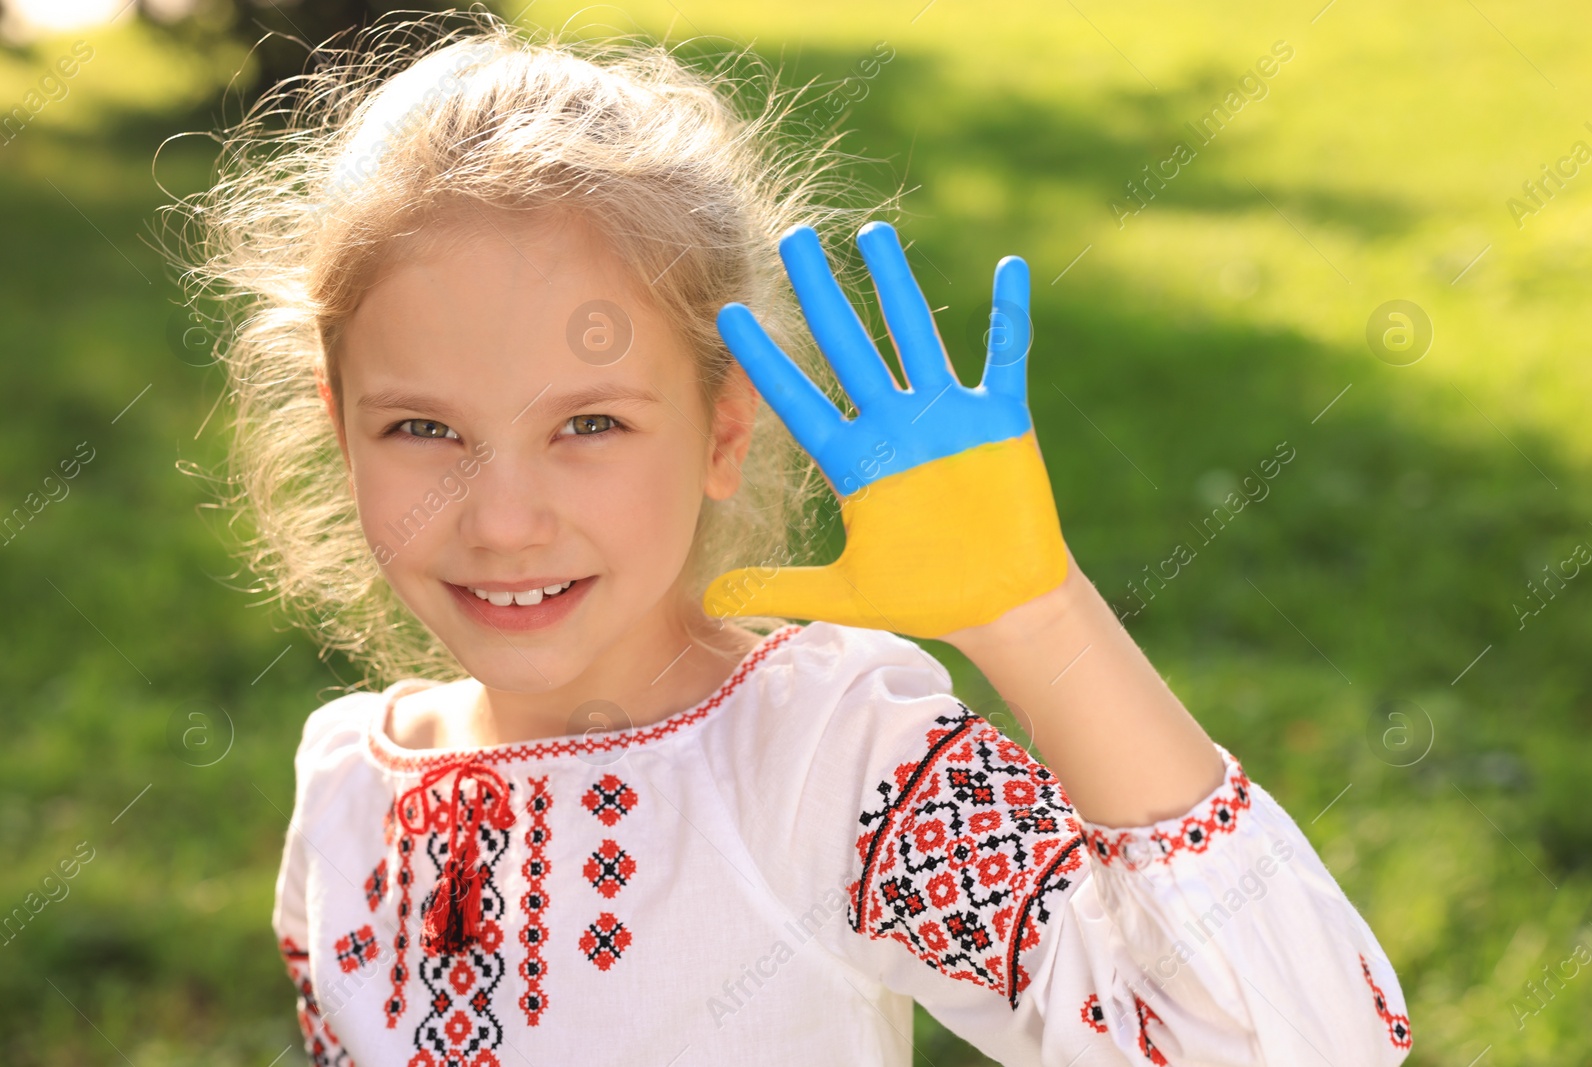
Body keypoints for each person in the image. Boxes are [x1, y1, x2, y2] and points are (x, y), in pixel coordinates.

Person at [163, 11, 1411, 1065]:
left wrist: (1037, 615)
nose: (500, 517)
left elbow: (1292, 1038)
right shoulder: (346, 789)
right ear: (339, 427)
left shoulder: (827, 760)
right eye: (422, 427)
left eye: (589, 421)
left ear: (723, 427)